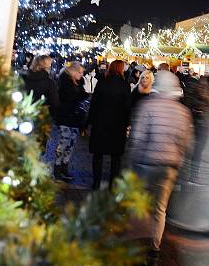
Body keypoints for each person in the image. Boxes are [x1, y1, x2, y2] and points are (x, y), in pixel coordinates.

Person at [124, 70, 193, 264]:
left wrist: (130, 163)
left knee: (139, 203)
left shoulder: (147, 106)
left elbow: (137, 139)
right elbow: (186, 142)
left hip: (145, 163)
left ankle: (135, 243)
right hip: (168, 167)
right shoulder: (183, 112)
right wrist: (178, 161)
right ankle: (154, 249)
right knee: (159, 209)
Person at [88, 59, 131, 190]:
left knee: (98, 156)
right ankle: (112, 185)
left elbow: (94, 104)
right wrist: (127, 123)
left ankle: (96, 183)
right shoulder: (125, 85)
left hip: (100, 123)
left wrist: (87, 122)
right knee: (116, 158)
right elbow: (127, 107)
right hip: (117, 125)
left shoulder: (102, 83)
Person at [53, 61, 89, 182]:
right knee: (64, 142)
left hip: (74, 117)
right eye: (79, 72)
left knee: (71, 143)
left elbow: (81, 95)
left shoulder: (78, 82)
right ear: (72, 71)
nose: (81, 74)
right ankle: (57, 169)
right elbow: (69, 98)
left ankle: (64, 167)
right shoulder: (64, 81)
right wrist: (82, 96)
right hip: (64, 117)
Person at [24, 54, 59, 119]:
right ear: (48, 66)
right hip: (41, 118)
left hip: (24, 114)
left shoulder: (24, 78)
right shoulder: (49, 83)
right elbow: (54, 103)